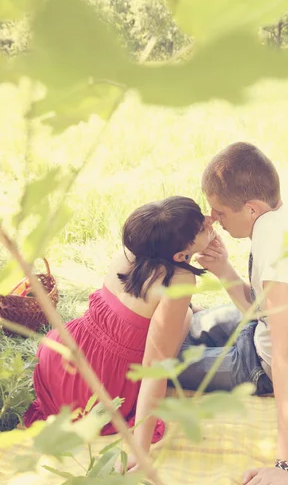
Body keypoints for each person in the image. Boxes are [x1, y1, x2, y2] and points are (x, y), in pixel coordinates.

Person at [178, 142, 288, 485]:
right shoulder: (281, 219)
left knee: (162, 364)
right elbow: (260, 313)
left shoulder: (280, 246)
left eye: (220, 211)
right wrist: (224, 270)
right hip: (259, 333)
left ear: (251, 208)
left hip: (264, 366)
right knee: (178, 330)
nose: (214, 219)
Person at [24, 196, 215, 458]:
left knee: (180, 316)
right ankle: (189, 313)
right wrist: (140, 450)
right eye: (202, 227)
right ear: (180, 255)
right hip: (98, 388)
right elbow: (155, 369)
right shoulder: (179, 280)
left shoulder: (134, 251)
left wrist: (198, 231)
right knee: (186, 319)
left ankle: (188, 311)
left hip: (58, 359)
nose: (210, 221)